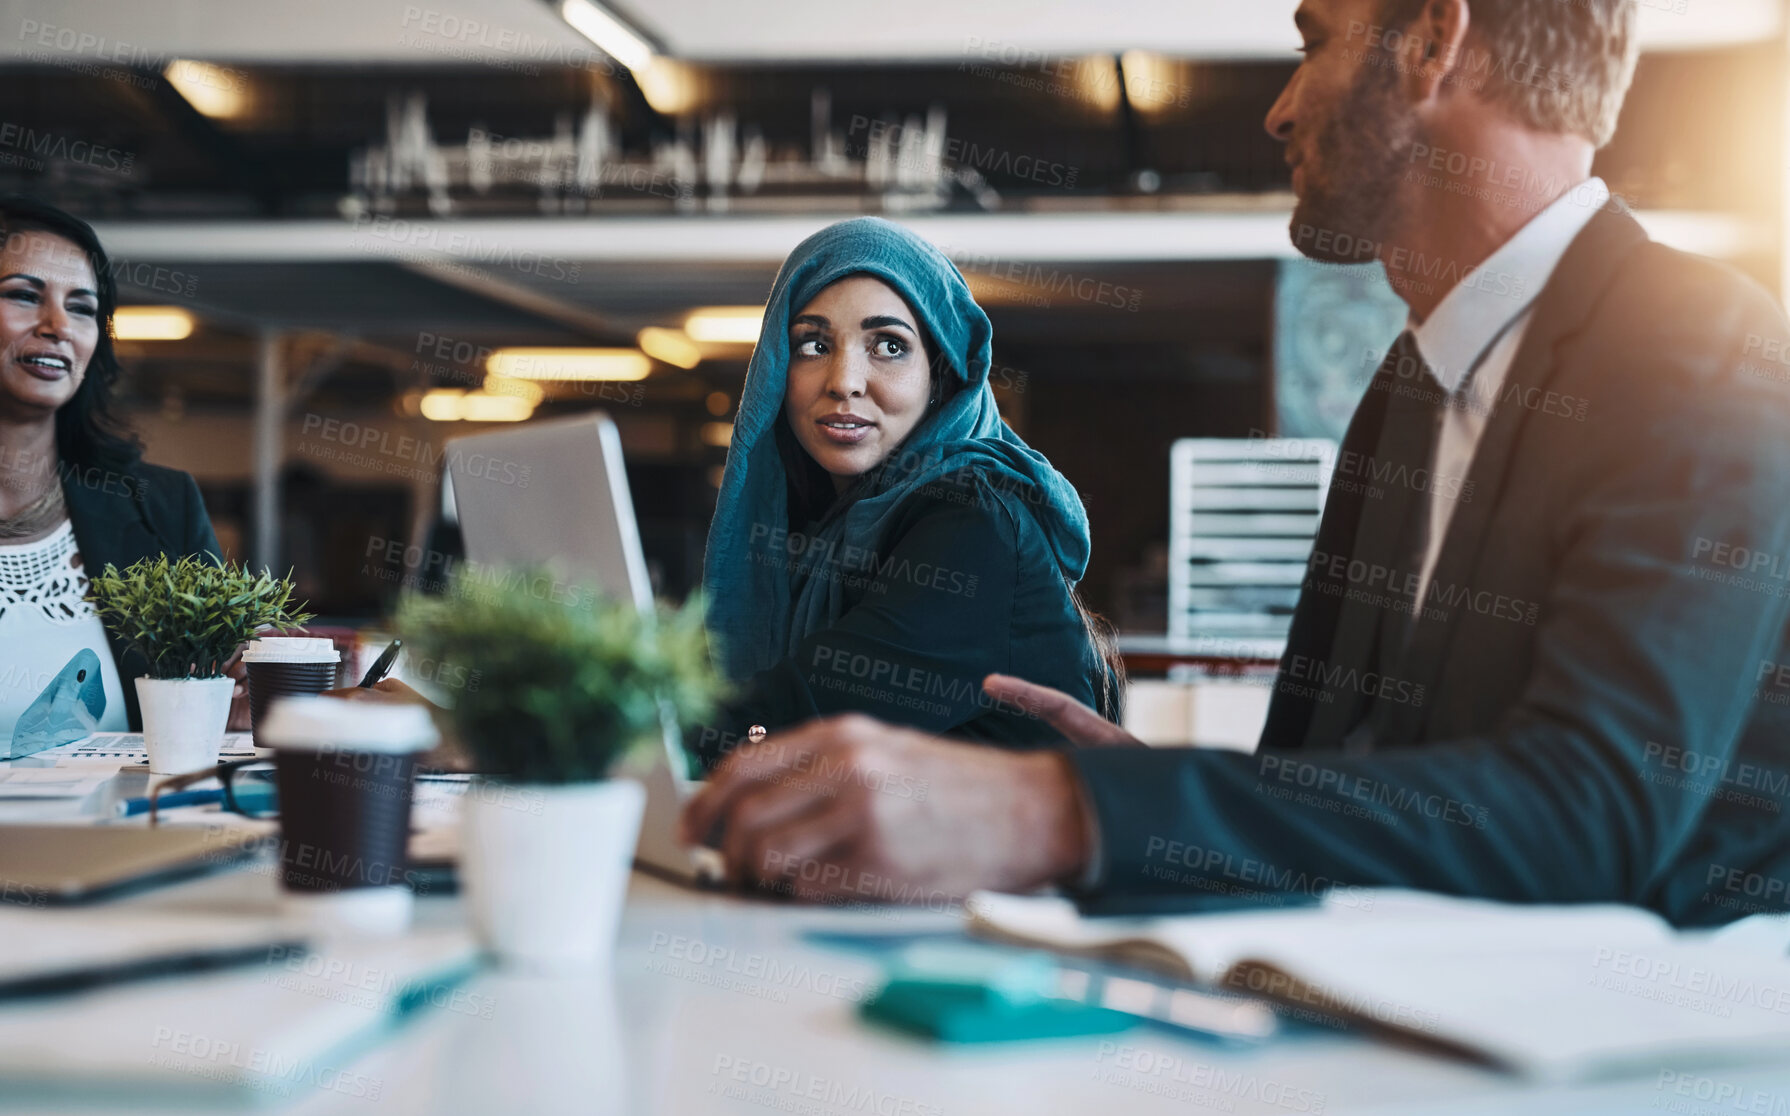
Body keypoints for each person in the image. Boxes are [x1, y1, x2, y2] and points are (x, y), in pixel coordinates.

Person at [682, 0, 1790, 927]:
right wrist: (1134, 787)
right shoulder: (1408, 390)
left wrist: (1066, 810)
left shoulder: (1697, 351)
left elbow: (1591, 815)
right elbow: (1323, 783)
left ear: (1432, 43)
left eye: (1313, 42)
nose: (1277, 107)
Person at [691, 216, 1121, 769]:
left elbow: (800, 718)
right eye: (813, 344)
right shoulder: (823, 527)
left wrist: (601, 712)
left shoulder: (977, 520)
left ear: (942, 373)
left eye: (889, 346)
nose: (844, 379)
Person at [0, 196, 228, 736]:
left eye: (82, 307)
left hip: (116, 820)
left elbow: (227, 698)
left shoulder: (163, 509)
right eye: (24, 296)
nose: (58, 325)